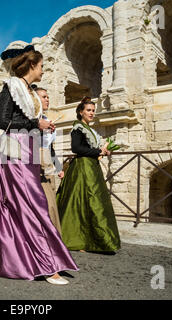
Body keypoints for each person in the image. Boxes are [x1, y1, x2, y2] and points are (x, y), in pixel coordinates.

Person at [0, 45, 78, 285]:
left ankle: (23, 255)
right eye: (41, 66)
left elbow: (27, 121)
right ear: (31, 65)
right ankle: (46, 263)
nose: (43, 70)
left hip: (28, 149)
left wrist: (41, 124)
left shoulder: (30, 90)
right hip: (14, 150)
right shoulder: (10, 86)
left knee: (18, 204)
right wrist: (35, 123)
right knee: (32, 202)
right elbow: (3, 121)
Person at [56, 97, 121, 253]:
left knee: (93, 201)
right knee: (84, 201)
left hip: (92, 167)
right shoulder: (78, 127)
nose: (92, 113)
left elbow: (90, 149)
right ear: (81, 112)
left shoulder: (90, 129)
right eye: (88, 110)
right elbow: (76, 148)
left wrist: (103, 151)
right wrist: (98, 151)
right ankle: (78, 238)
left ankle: (92, 239)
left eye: (93, 110)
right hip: (82, 168)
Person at [34, 87, 64, 233]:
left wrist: (59, 167)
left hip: (47, 162)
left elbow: (50, 148)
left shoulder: (48, 121)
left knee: (50, 198)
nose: (47, 99)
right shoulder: (29, 120)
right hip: (33, 160)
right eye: (43, 96)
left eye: (48, 96)